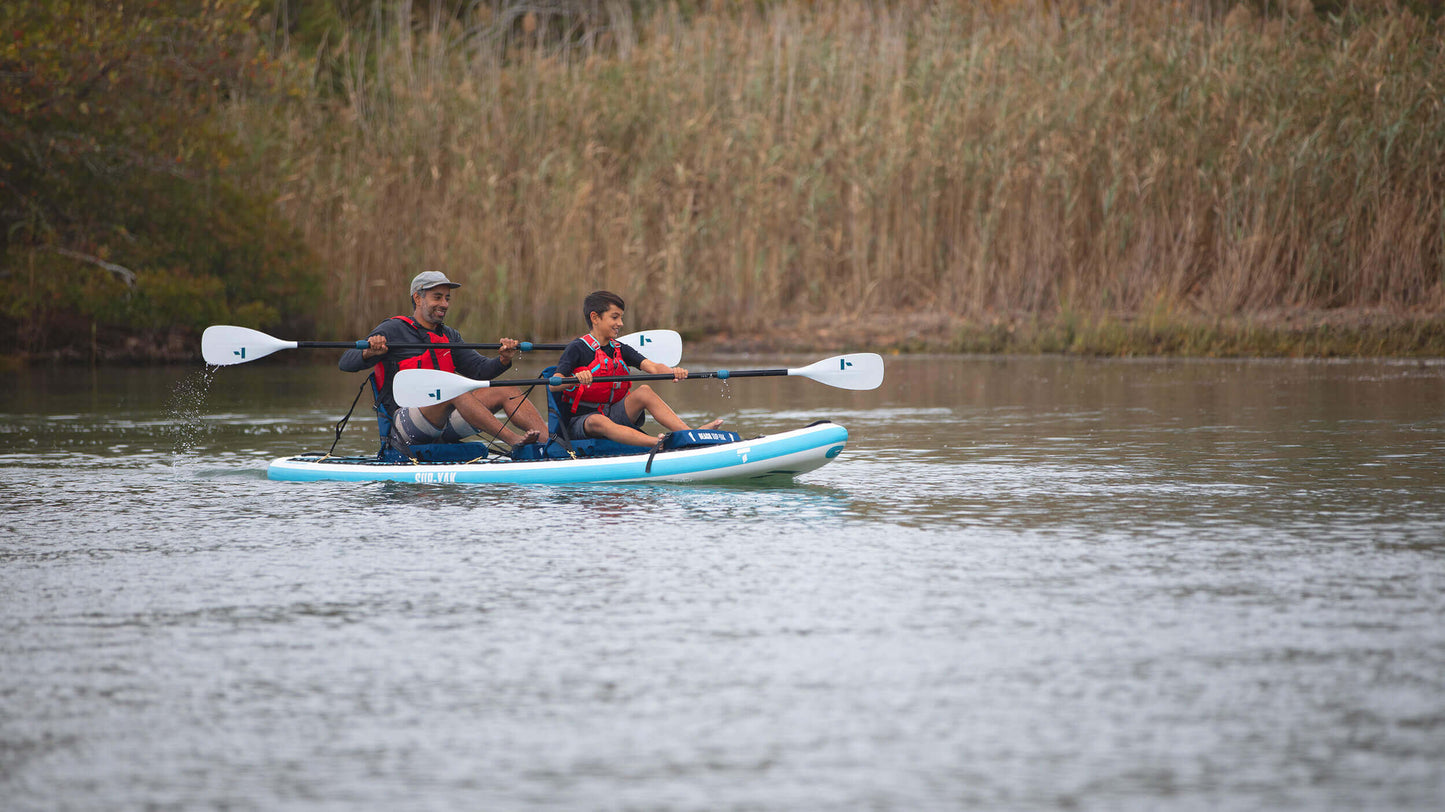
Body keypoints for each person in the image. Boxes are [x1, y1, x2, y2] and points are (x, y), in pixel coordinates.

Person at [339, 271, 547, 449]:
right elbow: (346, 362)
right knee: (451, 390)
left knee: (507, 389)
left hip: (446, 421)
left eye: (447, 298)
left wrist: (502, 359)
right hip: (404, 425)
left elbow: (480, 371)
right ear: (418, 298)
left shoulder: (450, 336)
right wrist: (369, 352)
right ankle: (514, 441)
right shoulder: (393, 329)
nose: (444, 304)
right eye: (437, 297)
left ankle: (553, 446)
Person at [551, 290, 721, 447]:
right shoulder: (576, 348)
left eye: (621, 318)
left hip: (613, 413)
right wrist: (575, 379)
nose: (620, 323)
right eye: (615, 317)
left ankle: (689, 435)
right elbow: (553, 384)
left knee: (644, 391)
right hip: (582, 422)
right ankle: (657, 443)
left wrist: (673, 371)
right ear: (595, 318)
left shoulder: (620, 348)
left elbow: (653, 367)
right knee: (599, 421)